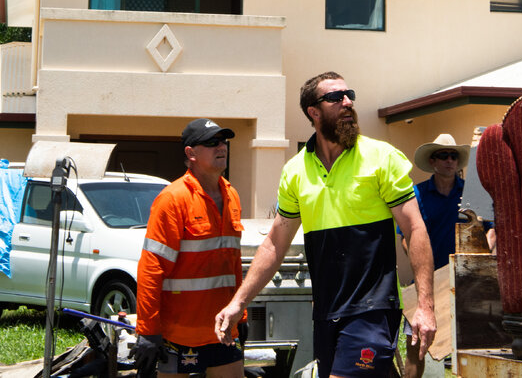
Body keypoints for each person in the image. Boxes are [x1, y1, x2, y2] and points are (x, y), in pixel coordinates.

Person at [215, 72, 436, 378]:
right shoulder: (294, 171)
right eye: (335, 97)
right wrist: (239, 302)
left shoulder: (382, 157)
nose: (347, 102)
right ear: (313, 112)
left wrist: (425, 306)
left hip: (371, 310)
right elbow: (274, 245)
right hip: (326, 314)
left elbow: (415, 230)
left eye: (349, 95)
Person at [133, 118, 246, 378]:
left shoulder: (232, 196)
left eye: (223, 141)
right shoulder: (173, 199)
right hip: (178, 334)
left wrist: (241, 316)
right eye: (211, 142)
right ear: (190, 153)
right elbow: (151, 269)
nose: (221, 147)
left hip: (223, 330)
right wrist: (148, 331)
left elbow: (233, 264)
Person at [398, 133, 492, 378]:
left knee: (476, 351)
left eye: (453, 156)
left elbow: (492, 232)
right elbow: (406, 239)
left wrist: (481, 262)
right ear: (432, 161)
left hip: (468, 282)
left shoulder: (474, 194)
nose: (450, 160)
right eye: (443, 156)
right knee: (416, 348)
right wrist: (426, 270)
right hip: (427, 284)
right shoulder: (416, 194)